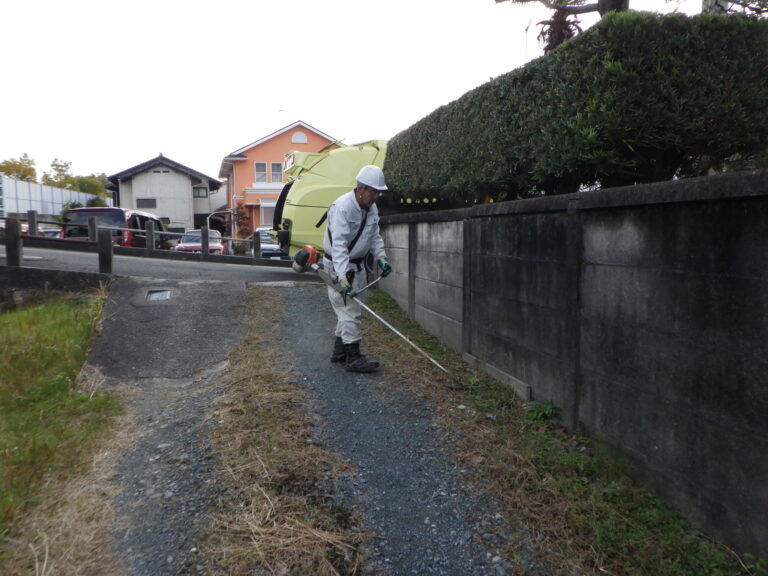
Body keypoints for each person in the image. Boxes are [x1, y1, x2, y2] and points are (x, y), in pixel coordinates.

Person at [323, 165, 392, 373]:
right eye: (373, 192)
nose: (376, 197)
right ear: (360, 188)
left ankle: (339, 352)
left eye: (378, 193)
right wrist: (342, 276)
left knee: (349, 309)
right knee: (349, 309)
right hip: (337, 266)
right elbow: (339, 246)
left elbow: (374, 236)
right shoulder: (342, 207)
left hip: (358, 266)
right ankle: (353, 358)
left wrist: (381, 258)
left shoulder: (372, 209)